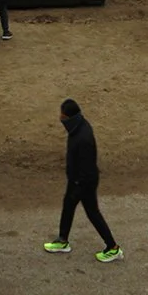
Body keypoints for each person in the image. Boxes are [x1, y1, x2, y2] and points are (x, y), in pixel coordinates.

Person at [41, 99, 122, 262]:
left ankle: (113, 247)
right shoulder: (78, 128)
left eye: (62, 115)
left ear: (69, 117)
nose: (60, 118)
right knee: (68, 206)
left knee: (92, 212)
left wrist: (77, 185)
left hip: (84, 182)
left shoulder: (83, 137)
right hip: (78, 180)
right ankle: (63, 240)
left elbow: (86, 166)